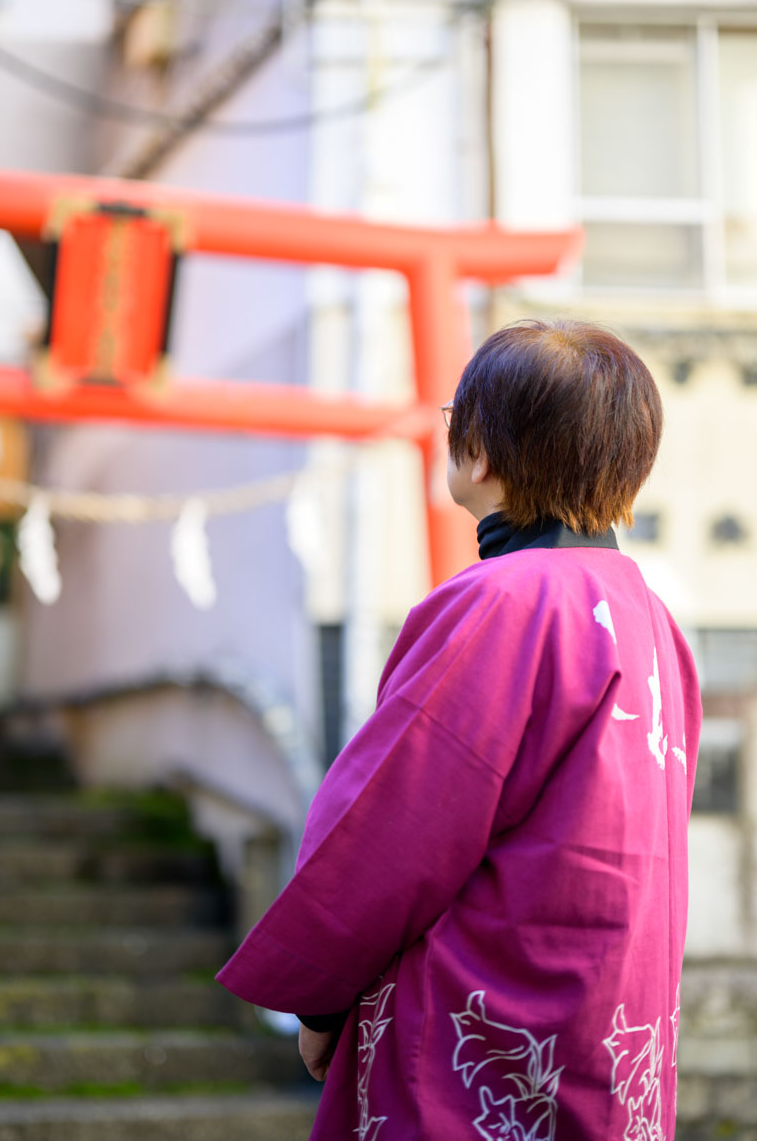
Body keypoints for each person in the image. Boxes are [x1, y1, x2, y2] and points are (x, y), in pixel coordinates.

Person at [216, 319, 701, 1141]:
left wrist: (322, 995)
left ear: (479, 456)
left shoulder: (500, 603)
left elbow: (391, 825)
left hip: (479, 1033)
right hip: (612, 1026)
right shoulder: (655, 622)